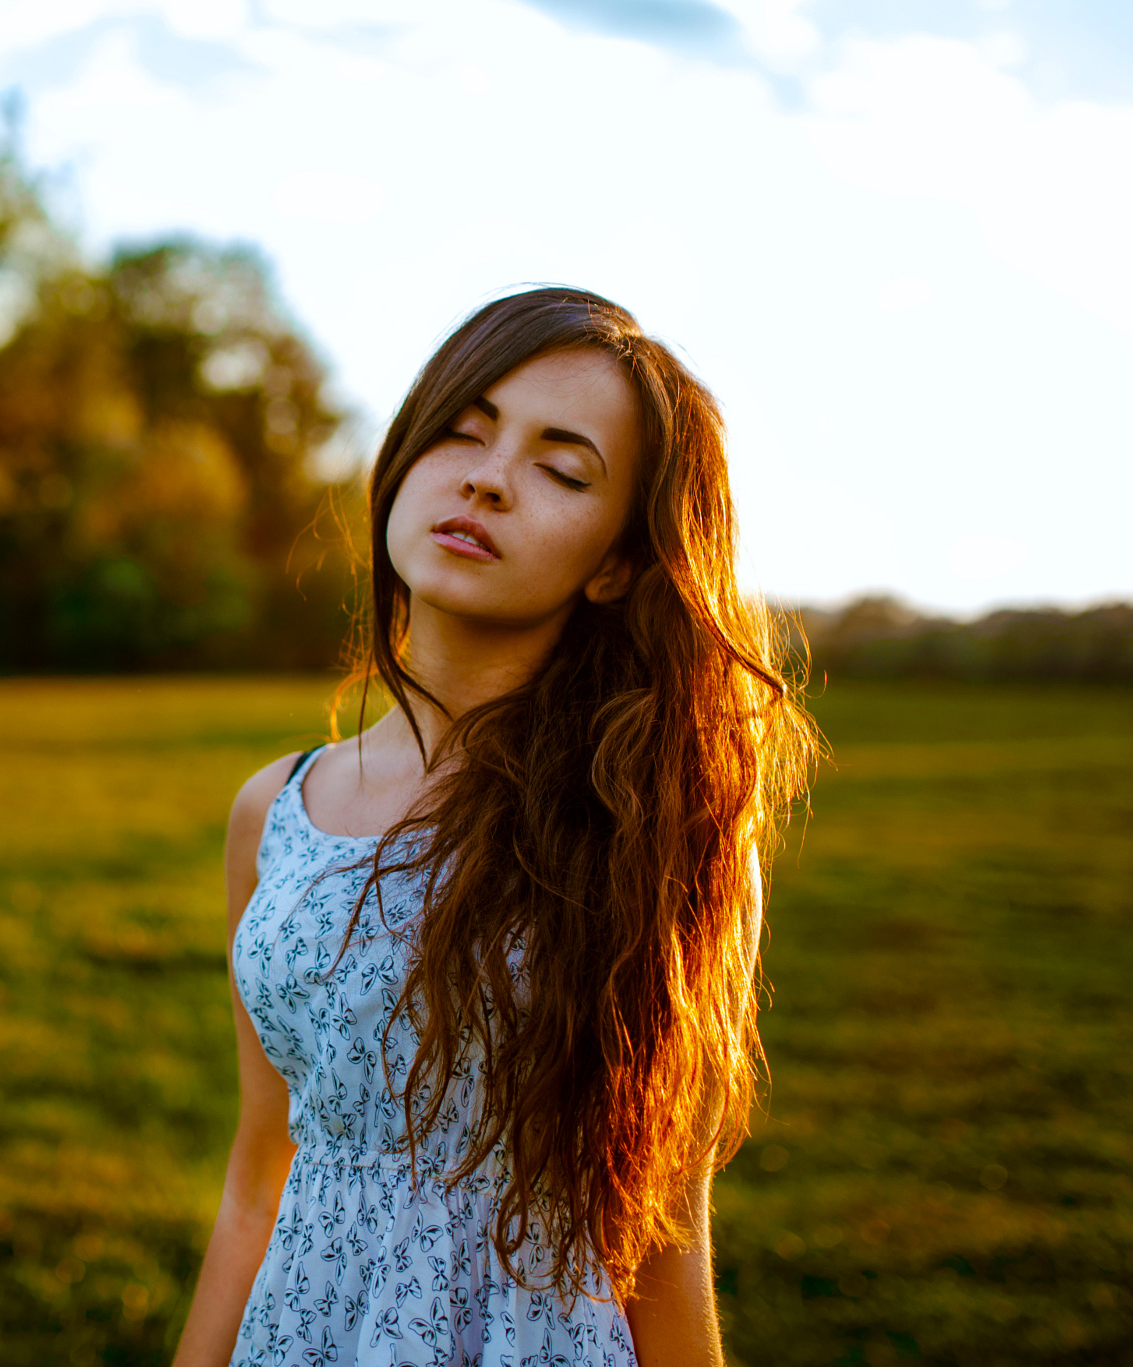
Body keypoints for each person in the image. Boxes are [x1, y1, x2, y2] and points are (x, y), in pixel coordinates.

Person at [171, 287, 818, 1367]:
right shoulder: (271, 814)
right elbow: (257, 1172)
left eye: (561, 469)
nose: (484, 476)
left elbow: (663, 1226)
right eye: (461, 432)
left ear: (614, 561)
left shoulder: (659, 826)